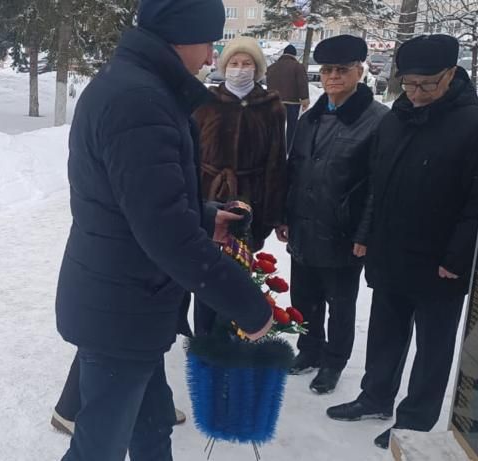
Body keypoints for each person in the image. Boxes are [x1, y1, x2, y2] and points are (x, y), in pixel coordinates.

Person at [54, 0, 275, 458]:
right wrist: (248, 307)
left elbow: (139, 202)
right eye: (210, 43)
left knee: (152, 428)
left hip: (132, 302)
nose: (212, 57)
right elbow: (164, 233)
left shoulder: (139, 86)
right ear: (183, 35)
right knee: (100, 447)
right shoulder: (139, 101)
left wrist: (205, 214)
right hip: (122, 306)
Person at [325, 34, 478, 449]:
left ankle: (416, 420)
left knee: (432, 346)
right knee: (385, 331)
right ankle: (375, 396)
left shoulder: (477, 127)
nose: (416, 94)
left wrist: (457, 256)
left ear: (451, 75)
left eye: (427, 85)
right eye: (409, 84)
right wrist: (366, 236)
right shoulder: (396, 118)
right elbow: (376, 185)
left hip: (440, 261)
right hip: (390, 250)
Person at [278, 35, 389, 395]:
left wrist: (364, 233)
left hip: (342, 231)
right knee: (303, 297)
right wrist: (284, 214)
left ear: (360, 70)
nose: (333, 77)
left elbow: (377, 186)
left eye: (342, 70)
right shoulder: (310, 118)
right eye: (327, 70)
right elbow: (293, 169)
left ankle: (333, 361)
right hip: (304, 224)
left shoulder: (376, 121)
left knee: (339, 304)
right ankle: (308, 350)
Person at [192, 35, 287, 337]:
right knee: (204, 269)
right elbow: (190, 156)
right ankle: (205, 335)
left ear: (257, 69)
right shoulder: (205, 102)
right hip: (208, 196)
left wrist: (273, 213)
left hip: (251, 200)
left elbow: (277, 162)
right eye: (234, 62)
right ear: (224, 66)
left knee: (241, 271)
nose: (240, 68)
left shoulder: (271, 106)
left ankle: (236, 332)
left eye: (247, 63)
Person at [266, 44, 311, 145]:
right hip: (292, 102)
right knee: (292, 127)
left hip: (274, 102)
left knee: (276, 127)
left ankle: (274, 147)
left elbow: (268, 83)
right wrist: (305, 99)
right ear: (294, 55)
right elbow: (302, 83)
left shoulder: (271, 67)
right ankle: (289, 148)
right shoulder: (298, 67)